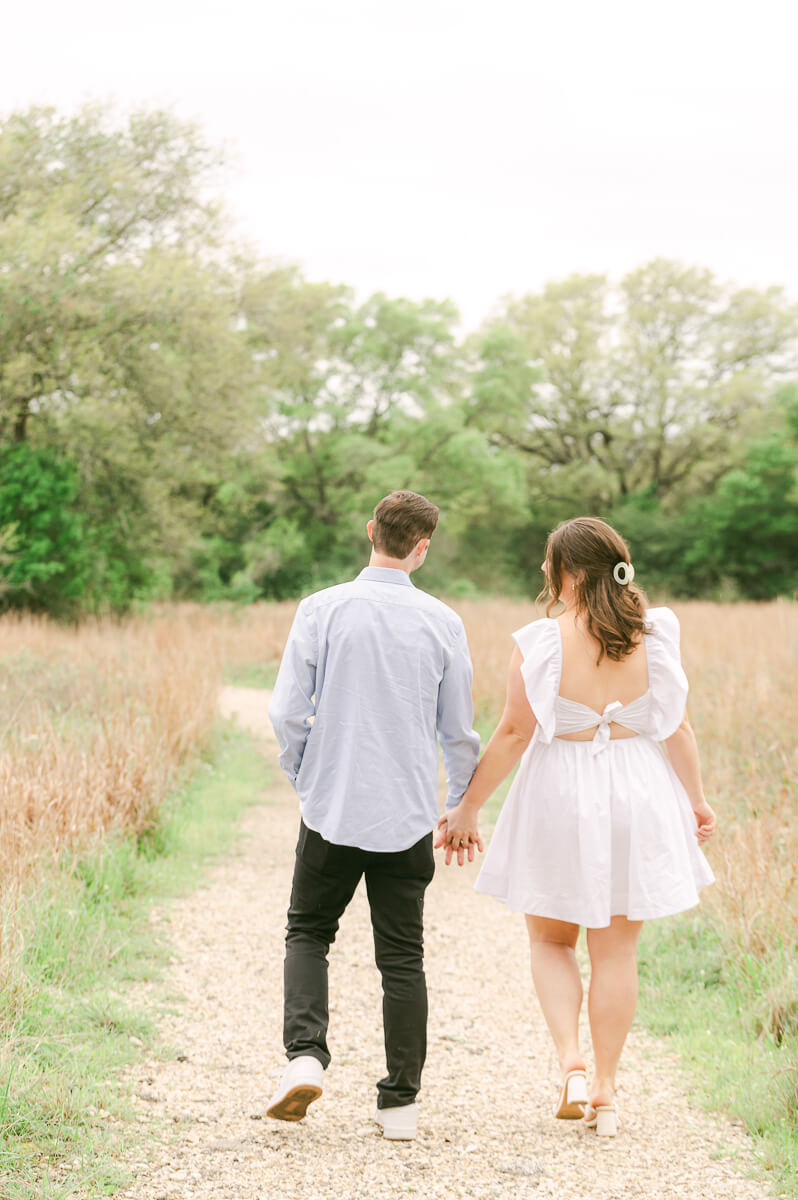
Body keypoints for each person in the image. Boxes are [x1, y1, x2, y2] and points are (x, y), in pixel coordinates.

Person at [436, 516, 716, 1137]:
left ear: (572, 572)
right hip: (638, 793)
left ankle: (572, 1065)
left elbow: (512, 733)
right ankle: (609, 1093)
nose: (543, 572)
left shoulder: (540, 641)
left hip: (560, 792)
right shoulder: (655, 633)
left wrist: (467, 808)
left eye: (548, 563)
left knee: (551, 942)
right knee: (616, 949)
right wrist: (696, 801)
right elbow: (678, 727)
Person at [267, 490, 480, 1140]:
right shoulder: (443, 621)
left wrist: (307, 775)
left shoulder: (322, 609)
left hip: (331, 807)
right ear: (422, 548)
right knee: (403, 959)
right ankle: (400, 1106)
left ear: (370, 532)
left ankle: (305, 1056)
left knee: (308, 933)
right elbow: (459, 731)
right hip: (407, 812)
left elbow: (284, 712)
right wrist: (458, 803)